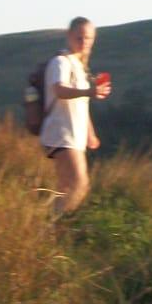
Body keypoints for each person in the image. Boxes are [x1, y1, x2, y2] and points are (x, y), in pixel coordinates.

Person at [42, 17, 109, 217]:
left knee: (66, 188)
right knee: (80, 185)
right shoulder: (60, 62)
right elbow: (59, 90)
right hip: (61, 134)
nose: (84, 41)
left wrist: (90, 134)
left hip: (73, 136)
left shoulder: (80, 67)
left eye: (88, 38)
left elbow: (81, 106)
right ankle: (51, 226)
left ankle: (50, 227)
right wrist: (89, 92)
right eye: (79, 36)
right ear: (69, 36)